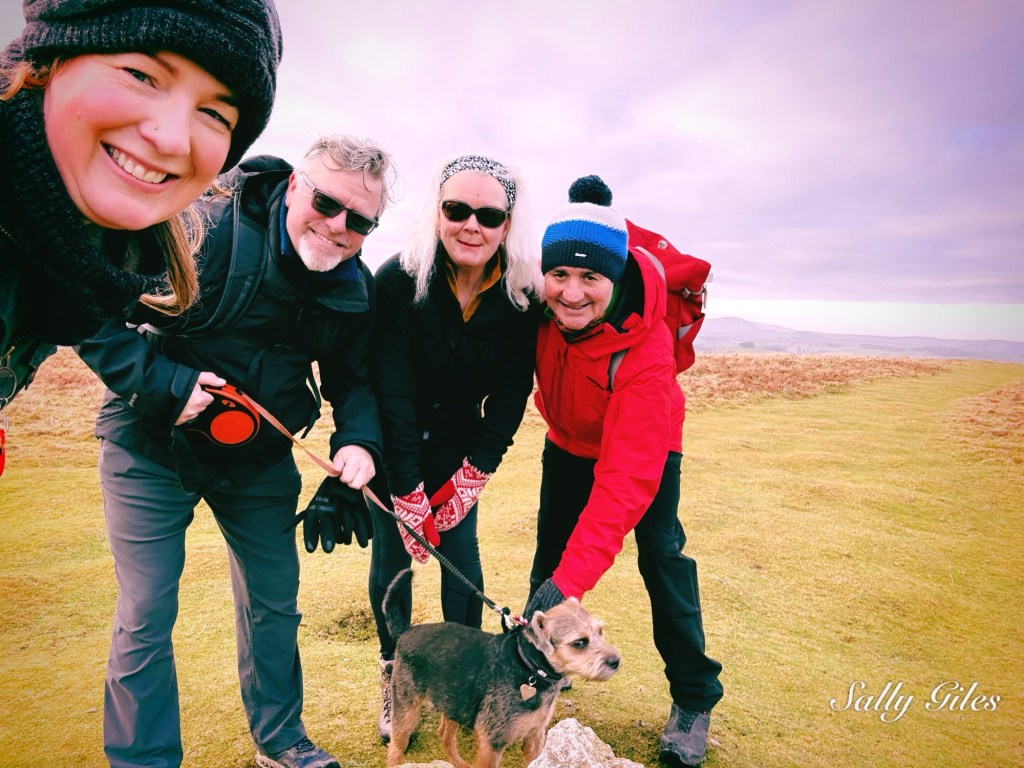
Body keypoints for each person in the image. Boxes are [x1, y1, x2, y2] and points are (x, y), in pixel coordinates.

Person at [76, 134, 397, 768]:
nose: (338, 228)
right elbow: (88, 307)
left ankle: (281, 742)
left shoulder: (350, 287)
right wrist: (164, 385)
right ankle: (143, 760)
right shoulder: (201, 222)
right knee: (146, 609)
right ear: (295, 186)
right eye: (327, 204)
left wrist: (359, 441)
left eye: (359, 221)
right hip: (149, 441)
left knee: (275, 603)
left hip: (257, 459)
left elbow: (353, 380)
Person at [0, 0, 281, 427]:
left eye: (213, 113)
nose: (170, 140)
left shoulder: (80, 260)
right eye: (140, 75)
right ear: (51, 58)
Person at [525, 176, 724, 768]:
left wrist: (573, 584)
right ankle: (537, 676)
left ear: (615, 278)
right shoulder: (538, 309)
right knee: (548, 564)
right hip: (567, 443)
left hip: (648, 450)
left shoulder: (645, 351)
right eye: (560, 275)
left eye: (591, 278)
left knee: (661, 560)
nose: (573, 293)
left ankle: (694, 698)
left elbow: (624, 483)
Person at [366, 154, 543, 743]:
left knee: (459, 566)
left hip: (458, 452)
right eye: (457, 209)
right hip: (394, 449)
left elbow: (510, 401)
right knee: (393, 565)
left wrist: (471, 480)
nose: (472, 225)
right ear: (437, 213)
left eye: (488, 215)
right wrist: (407, 492)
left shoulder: (522, 301)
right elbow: (389, 392)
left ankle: (465, 679)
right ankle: (397, 680)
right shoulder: (397, 281)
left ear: (507, 224)